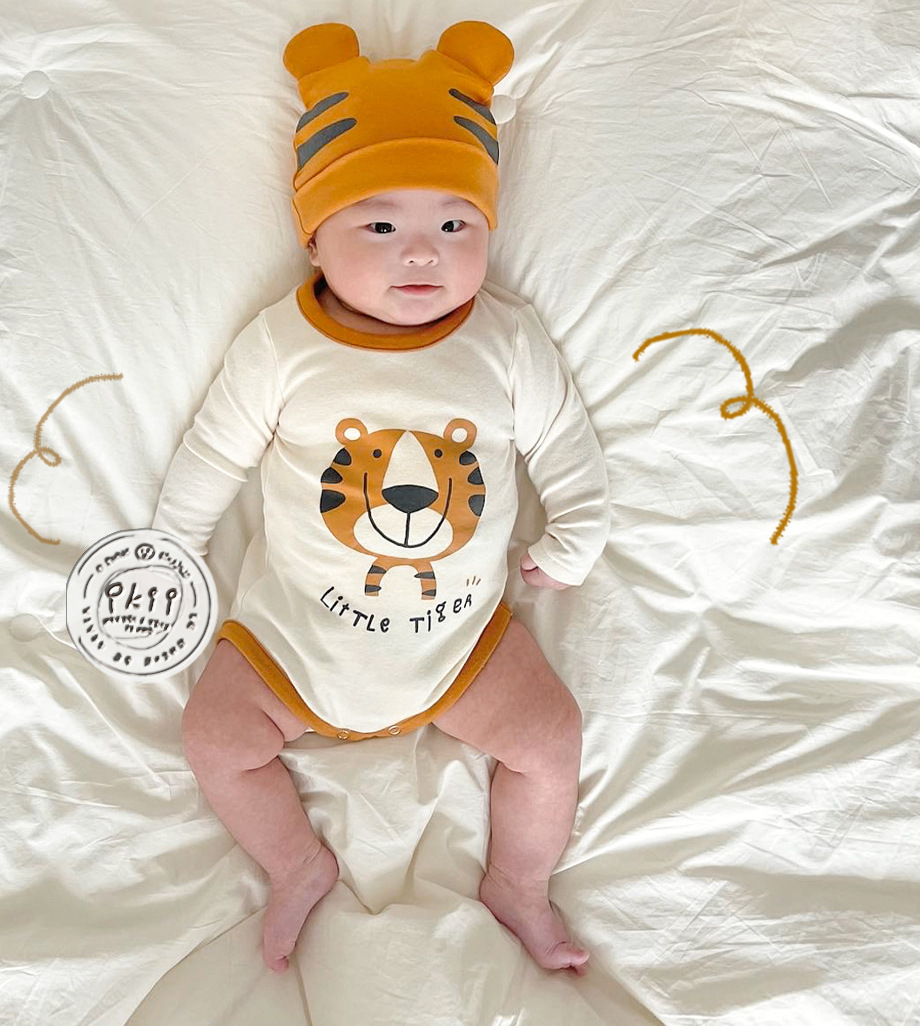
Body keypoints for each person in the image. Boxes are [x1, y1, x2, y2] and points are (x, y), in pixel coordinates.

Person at [152, 20, 611, 976]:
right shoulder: (281, 348)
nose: (422, 255)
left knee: (551, 737)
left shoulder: (504, 342)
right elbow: (214, 452)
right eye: (380, 225)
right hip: (292, 641)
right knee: (214, 736)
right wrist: (173, 545)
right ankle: (295, 863)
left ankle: (519, 882)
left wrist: (574, 537)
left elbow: (566, 443)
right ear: (315, 237)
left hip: (461, 643)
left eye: (456, 223)